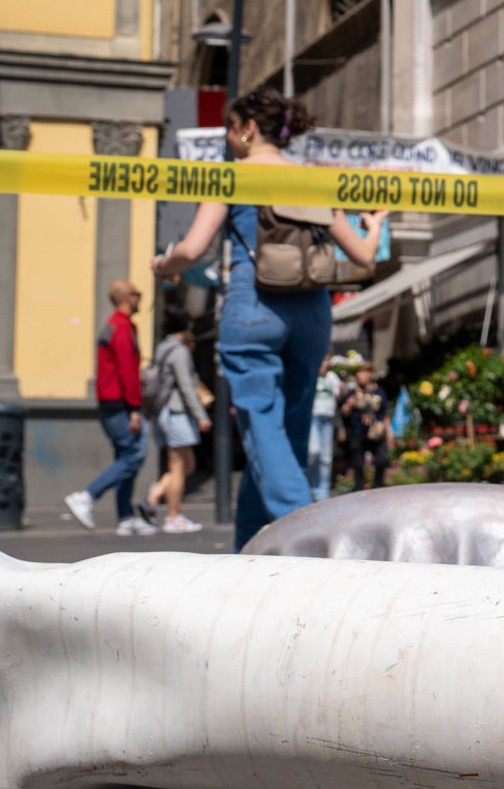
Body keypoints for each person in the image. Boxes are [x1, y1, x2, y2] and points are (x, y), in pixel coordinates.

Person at [153, 87, 383, 547]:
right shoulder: (313, 178)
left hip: (254, 302)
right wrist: (373, 227)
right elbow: (362, 257)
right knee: (287, 431)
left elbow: (194, 249)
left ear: (247, 129)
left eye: (229, 131)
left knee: (260, 422)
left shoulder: (232, 175)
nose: (227, 140)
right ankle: (252, 550)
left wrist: (163, 264)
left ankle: (308, 536)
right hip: (312, 314)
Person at [67, 280, 154, 535]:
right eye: (138, 294)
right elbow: (127, 370)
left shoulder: (115, 325)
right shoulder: (121, 327)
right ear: (127, 297)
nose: (140, 298)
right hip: (120, 404)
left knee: (125, 456)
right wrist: (135, 408)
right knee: (133, 456)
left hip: (112, 402)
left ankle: (126, 518)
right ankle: (87, 496)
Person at [144, 309, 208, 533]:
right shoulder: (179, 352)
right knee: (179, 466)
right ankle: (173, 517)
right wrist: (201, 415)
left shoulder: (162, 347)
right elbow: (187, 386)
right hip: (177, 411)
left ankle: (153, 498)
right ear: (184, 329)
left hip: (164, 411)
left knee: (186, 464)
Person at [339, 364, 390, 491]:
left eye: (362, 372)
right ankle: (359, 487)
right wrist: (349, 405)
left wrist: (389, 432)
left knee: (381, 459)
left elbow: (385, 413)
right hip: (358, 431)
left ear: (370, 374)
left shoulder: (380, 392)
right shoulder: (353, 392)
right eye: (358, 373)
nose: (359, 376)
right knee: (357, 462)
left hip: (376, 432)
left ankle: (378, 486)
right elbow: (344, 412)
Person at [308, 360, 342, 496]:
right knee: (313, 450)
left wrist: (343, 388)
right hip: (313, 417)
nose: (323, 366)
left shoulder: (332, 377)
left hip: (328, 418)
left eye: (325, 363)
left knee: (326, 456)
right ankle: (309, 482)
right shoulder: (311, 375)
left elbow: (339, 396)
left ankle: (322, 490)